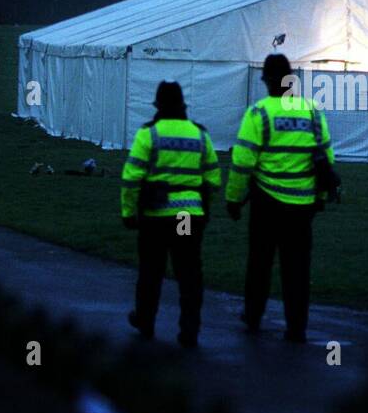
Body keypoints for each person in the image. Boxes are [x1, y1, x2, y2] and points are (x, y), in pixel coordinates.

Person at [225, 54, 336, 343]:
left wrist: (234, 199)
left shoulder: (259, 113)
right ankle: (296, 327)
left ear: (265, 80)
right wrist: (321, 196)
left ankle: (252, 317)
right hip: (302, 207)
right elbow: (326, 158)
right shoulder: (311, 111)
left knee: (259, 262)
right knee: (297, 268)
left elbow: (242, 161)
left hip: (266, 202)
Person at [120, 81, 220, 348]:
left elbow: (131, 177)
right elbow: (213, 177)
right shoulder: (199, 134)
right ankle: (189, 330)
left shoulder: (149, 134)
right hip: (187, 215)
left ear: (158, 106)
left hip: (156, 216)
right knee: (188, 272)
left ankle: (145, 320)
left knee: (151, 270)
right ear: (182, 105)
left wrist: (129, 212)